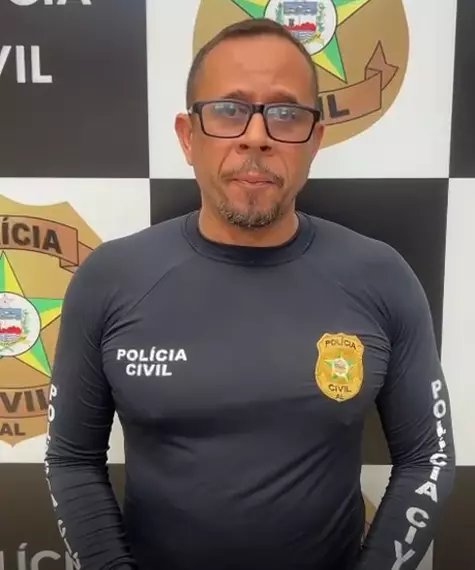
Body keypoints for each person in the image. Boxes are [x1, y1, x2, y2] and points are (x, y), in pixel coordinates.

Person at [44, 17, 456, 570]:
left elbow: (427, 458)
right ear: (187, 137)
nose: (256, 136)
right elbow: (71, 460)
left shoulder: (382, 277)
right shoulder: (109, 278)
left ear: (315, 140)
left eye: (285, 114)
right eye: (228, 110)